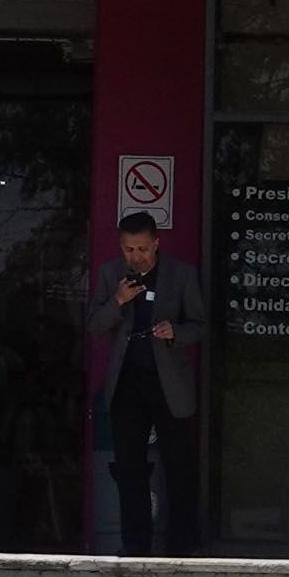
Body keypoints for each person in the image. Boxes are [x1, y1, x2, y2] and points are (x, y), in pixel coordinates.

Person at [99, 210, 205, 557]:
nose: (136, 256)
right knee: (130, 469)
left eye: (142, 248)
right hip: (127, 383)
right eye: (129, 249)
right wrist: (118, 301)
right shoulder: (111, 274)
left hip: (168, 382)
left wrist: (176, 332)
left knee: (178, 467)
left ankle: (182, 547)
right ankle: (136, 547)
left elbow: (201, 324)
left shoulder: (182, 275)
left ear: (156, 244)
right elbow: (93, 325)